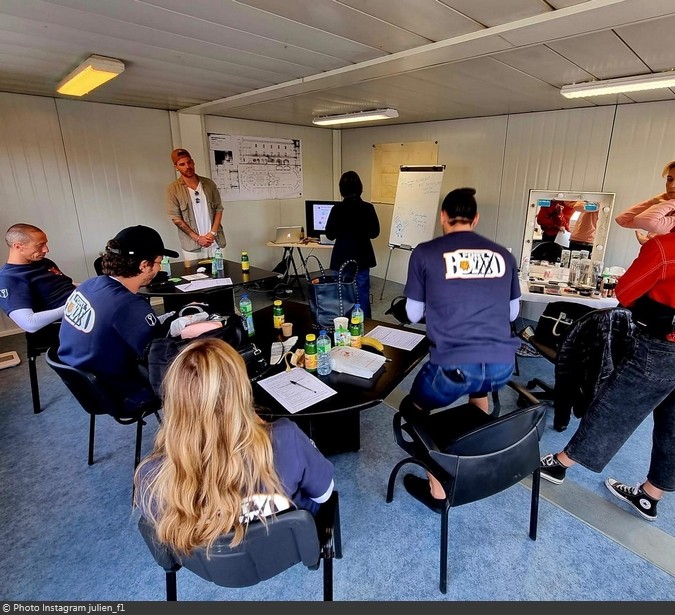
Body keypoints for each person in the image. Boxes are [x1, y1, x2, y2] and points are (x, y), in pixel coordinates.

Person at [134, 337, 335, 556]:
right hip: (287, 548)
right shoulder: (285, 438)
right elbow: (324, 495)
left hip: (210, 564)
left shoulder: (150, 476)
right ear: (241, 392)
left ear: (174, 403)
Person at [399, 187, 521, 512]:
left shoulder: (425, 252)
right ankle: (471, 457)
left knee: (413, 411)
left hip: (453, 368)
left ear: (443, 217)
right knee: (478, 393)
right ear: (476, 218)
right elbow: (511, 314)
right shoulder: (503, 255)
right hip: (501, 366)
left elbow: (412, 314)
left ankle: (438, 491)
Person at [539, 229, 675, 522]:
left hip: (661, 347)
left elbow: (625, 292)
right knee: (674, 426)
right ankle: (650, 496)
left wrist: (650, 247)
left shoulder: (664, 247)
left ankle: (559, 465)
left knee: (614, 408)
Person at [58, 225, 178, 413]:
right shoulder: (129, 304)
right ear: (144, 265)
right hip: (119, 393)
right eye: (158, 261)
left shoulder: (88, 285)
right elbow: (159, 349)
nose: (159, 267)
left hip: (82, 383)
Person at [0, 223, 76, 333]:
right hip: (64, 325)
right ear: (18, 246)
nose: (46, 249)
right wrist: (75, 307)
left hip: (81, 310)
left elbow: (67, 286)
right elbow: (30, 323)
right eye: (40, 245)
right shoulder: (8, 279)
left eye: (45, 244)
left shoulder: (44, 262)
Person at [324, 170, 380, 318]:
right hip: (362, 257)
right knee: (362, 292)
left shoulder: (337, 209)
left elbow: (329, 235)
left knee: (341, 293)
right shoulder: (368, 208)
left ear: (341, 189)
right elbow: (375, 233)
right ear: (360, 188)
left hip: (341, 256)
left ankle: (342, 324)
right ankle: (366, 323)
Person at [166, 148, 227, 261]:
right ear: (176, 167)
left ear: (193, 162)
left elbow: (219, 209)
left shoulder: (209, 184)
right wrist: (198, 238)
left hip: (215, 241)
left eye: (189, 162)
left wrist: (212, 233)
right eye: (182, 164)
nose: (187, 166)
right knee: (195, 277)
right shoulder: (173, 189)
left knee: (221, 274)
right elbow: (176, 219)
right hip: (193, 246)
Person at [615, 159, 675, 245]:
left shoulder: (669, 208)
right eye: (670, 179)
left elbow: (644, 220)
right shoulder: (667, 209)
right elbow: (622, 220)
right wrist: (652, 201)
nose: (672, 185)